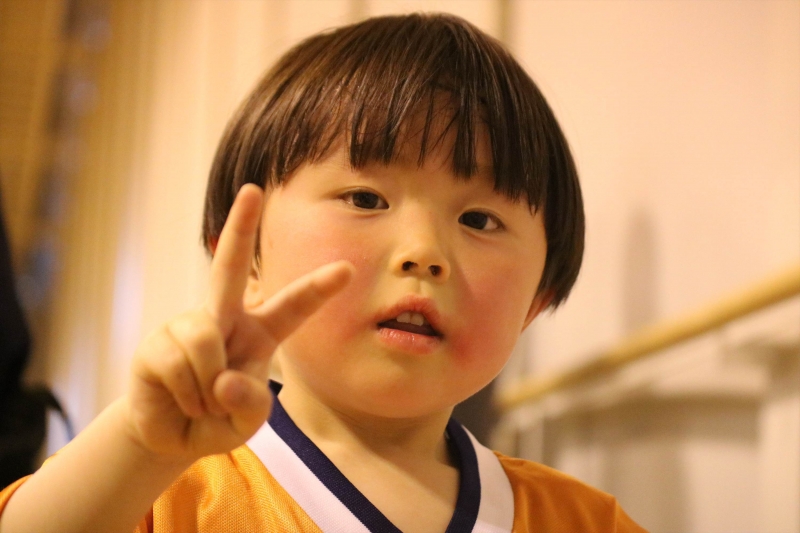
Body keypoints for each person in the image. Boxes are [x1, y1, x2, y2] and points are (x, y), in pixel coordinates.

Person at [0, 13, 646, 533]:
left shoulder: (587, 520)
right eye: (365, 199)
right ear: (246, 256)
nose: (424, 252)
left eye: (479, 219)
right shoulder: (158, 493)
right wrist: (140, 443)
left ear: (539, 298)